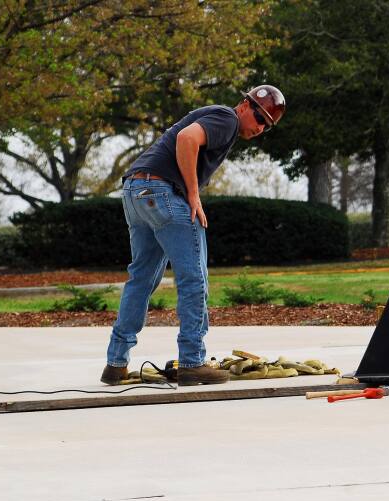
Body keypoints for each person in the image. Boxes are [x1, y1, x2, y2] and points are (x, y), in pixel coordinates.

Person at [101, 86, 286, 387]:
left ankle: (115, 363)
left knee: (141, 279)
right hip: (162, 192)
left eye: (267, 125)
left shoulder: (221, 121)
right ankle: (192, 362)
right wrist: (193, 194)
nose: (261, 128)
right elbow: (188, 139)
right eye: (259, 118)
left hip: (135, 192)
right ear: (244, 105)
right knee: (194, 280)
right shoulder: (227, 119)